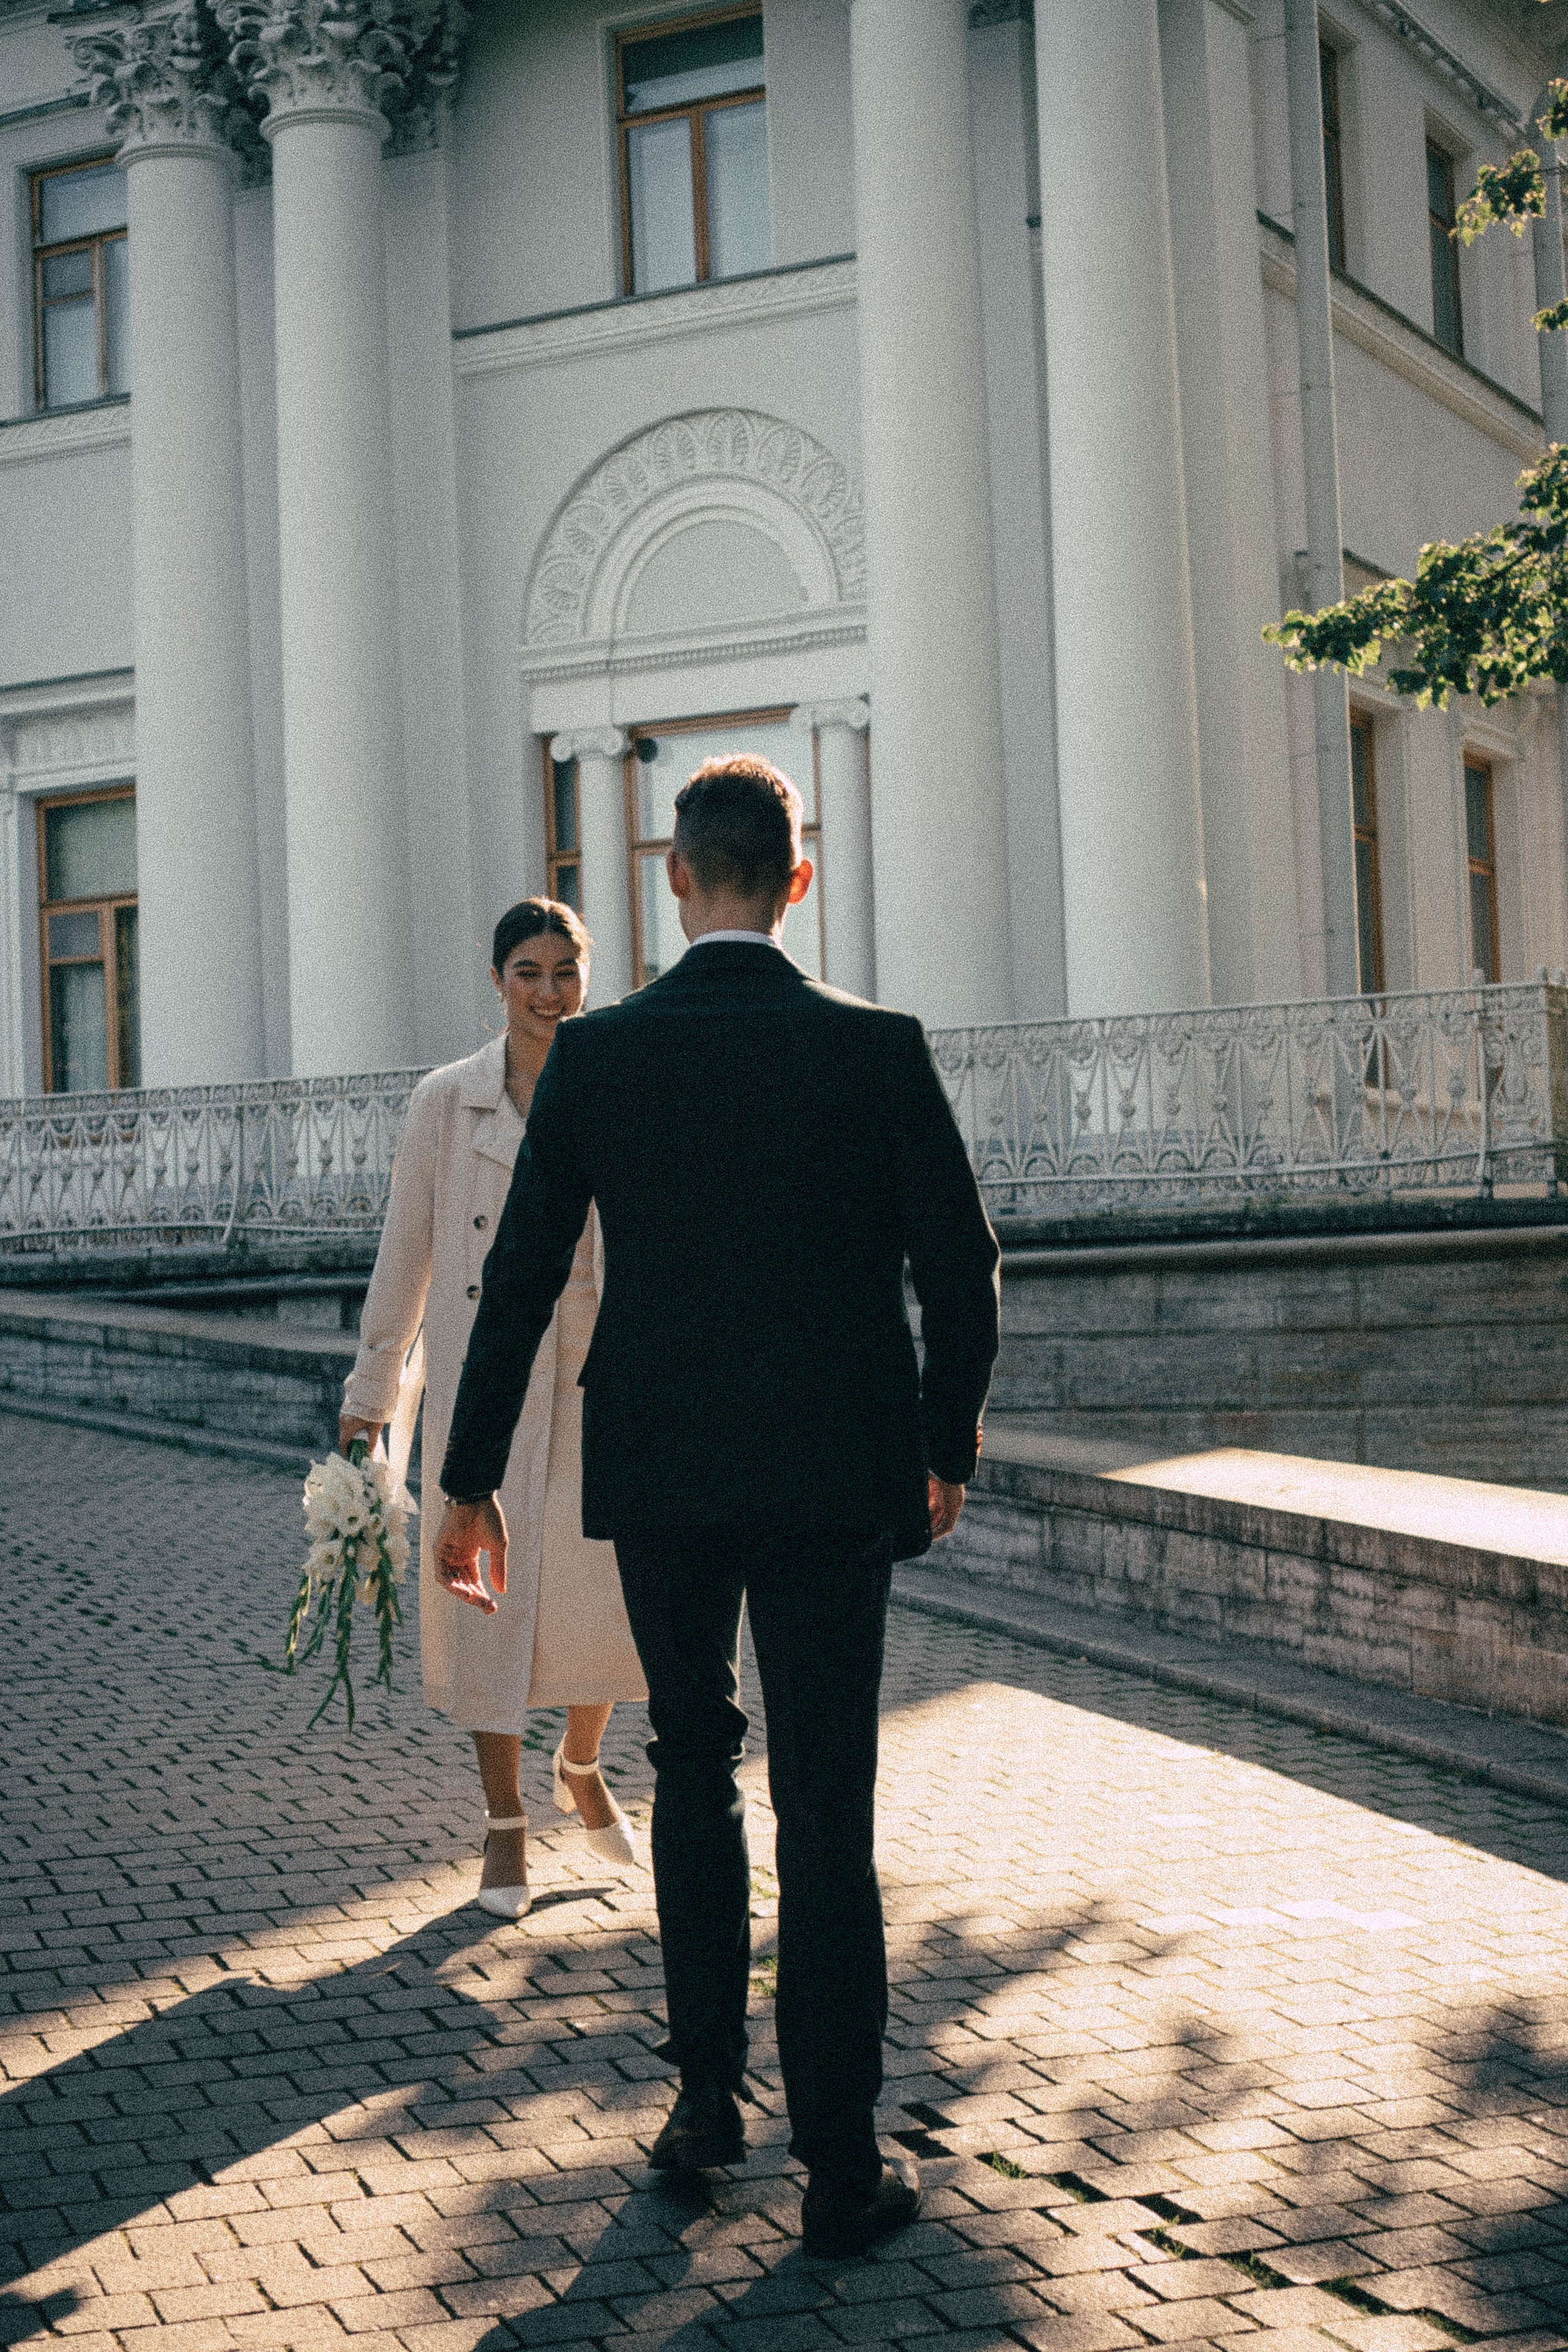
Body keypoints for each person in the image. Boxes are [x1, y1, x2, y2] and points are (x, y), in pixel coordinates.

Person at [434, 758, 1000, 2257]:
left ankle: (699, 2108)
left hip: (664, 1467)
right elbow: (961, 1270)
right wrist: (941, 1445)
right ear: (797, 880)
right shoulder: (877, 1050)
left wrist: (467, 1477)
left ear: (674, 879)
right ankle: (838, 2162)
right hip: (833, 1475)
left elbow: (522, 1276)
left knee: (690, 1760)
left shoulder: (603, 1059)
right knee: (827, 1802)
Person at [340, 898, 647, 1921]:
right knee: (491, 1611)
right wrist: (370, 1397)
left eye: (567, 971)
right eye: (529, 971)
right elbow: (407, 1256)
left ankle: (584, 1760)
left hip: (599, 1372)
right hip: (487, 1391)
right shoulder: (447, 1102)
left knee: (608, 1596)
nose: (550, 993)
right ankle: (504, 1826)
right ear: (497, 980)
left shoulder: (615, 1080)